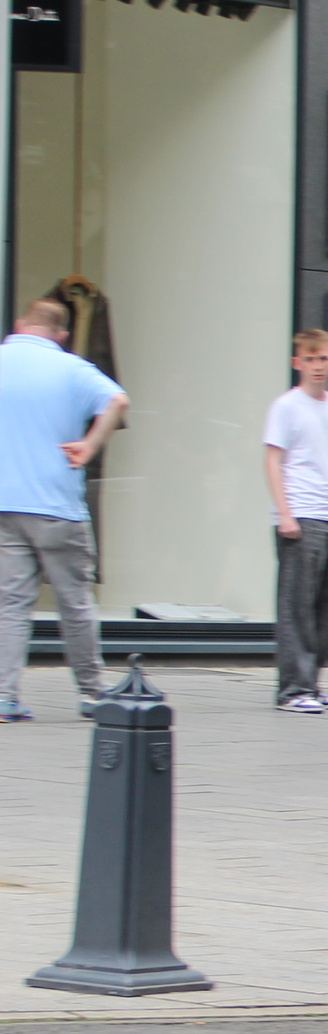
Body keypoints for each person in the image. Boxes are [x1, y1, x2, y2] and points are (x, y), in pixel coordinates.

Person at [0, 298, 127, 723]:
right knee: (75, 603)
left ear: (21, 324)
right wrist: (90, 446)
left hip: (5, 506)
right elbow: (118, 401)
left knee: (11, 604)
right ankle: (92, 693)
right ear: (62, 334)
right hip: (56, 507)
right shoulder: (72, 368)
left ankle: (3, 696)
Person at [266, 328, 328, 715]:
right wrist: (284, 514)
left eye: (324, 358)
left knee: (327, 608)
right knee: (296, 606)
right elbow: (273, 460)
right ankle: (292, 690)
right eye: (310, 358)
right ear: (297, 362)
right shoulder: (286, 406)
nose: (318, 366)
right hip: (301, 516)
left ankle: (313, 683)